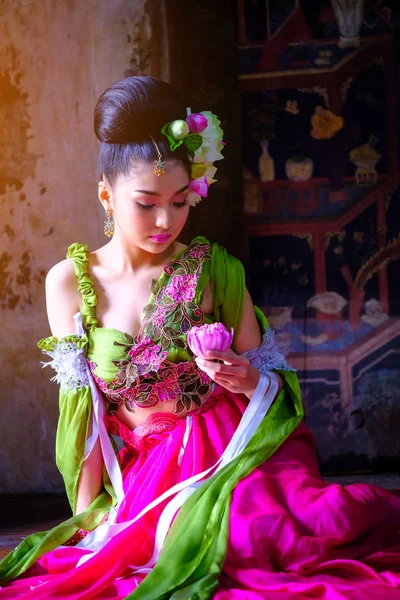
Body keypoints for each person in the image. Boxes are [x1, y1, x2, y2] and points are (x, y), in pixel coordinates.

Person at [1, 76, 400, 600]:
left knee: (268, 539)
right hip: (142, 474)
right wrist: (86, 522)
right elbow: (85, 414)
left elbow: (275, 388)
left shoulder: (217, 269)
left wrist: (246, 375)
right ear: (106, 194)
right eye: (146, 203)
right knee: (148, 554)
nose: (166, 220)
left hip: (226, 447)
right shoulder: (70, 283)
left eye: (181, 201)